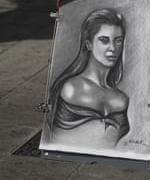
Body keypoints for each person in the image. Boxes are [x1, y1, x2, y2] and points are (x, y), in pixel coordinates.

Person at [46, 8, 129, 148]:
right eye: (104, 40)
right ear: (89, 44)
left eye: (118, 40)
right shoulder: (72, 88)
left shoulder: (121, 97)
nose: (112, 48)